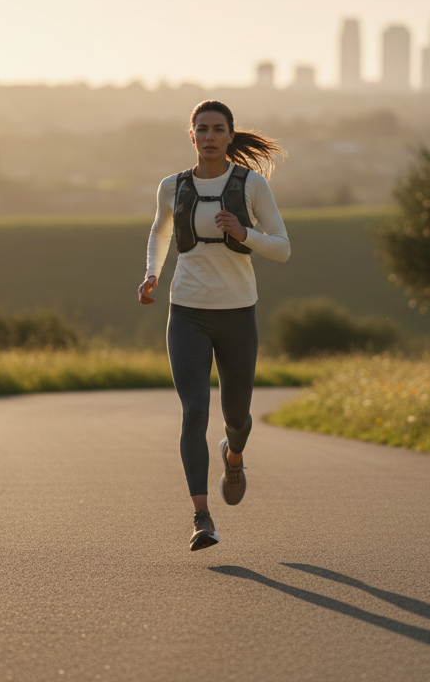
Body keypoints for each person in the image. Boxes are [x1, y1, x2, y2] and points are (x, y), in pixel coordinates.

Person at [138, 100, 290, 551]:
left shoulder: (251, 185)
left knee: (237, 418)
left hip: (238, 313)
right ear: (191, 136)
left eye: (217, 129)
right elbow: (160, 231)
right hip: (186, 311)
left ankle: (234, 454)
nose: (208, 137)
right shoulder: (172, 186)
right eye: (200, 129)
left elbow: (282, 248)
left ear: (229, 135)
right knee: (195, 410)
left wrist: (245, 234)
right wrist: (152, 273)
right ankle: (202, 517)